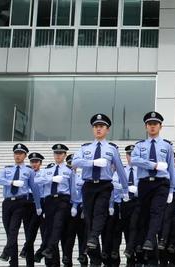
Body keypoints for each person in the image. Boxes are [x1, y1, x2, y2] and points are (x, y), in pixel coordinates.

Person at [71, 113, 129, 266]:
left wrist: (125, 189)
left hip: (104, 185)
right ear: (93, 129)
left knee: (99, 212)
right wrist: (93, 162)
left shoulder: (111, 149)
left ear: (107, 130)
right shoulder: (85, 148)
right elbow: (75, 162)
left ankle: (94, 237)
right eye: (96, 126)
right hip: (88, 185)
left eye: (101, 126)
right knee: (89, 219)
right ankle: (95, 257)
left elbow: (121, 170)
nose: (98, 129)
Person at [130, 111, 175, 253]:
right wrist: (154, 165)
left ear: (160, 126)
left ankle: (150, 239)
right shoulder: (139, 146)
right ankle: (143, 242)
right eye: (149, 124)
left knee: (156, 212)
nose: (152, 127)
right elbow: (134, 160)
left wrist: (171, 189)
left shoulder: (167, 146)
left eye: (155, 124)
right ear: (146, 127)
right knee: (144, 214)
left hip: (161, 183)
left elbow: (171, 168)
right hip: (145, 182)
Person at [0, 143, 42, 267]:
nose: (17, 156)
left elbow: (35, 189)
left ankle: (6, 252)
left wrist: (38, 206)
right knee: (10, 234)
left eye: (20, 153)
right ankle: (13, 263)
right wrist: (11, 182)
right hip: (7, 202)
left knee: (14, 229)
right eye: (16, 153)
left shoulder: (29, 171)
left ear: (25, 156)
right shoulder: (7, 169)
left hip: (22, 202)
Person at [37, 144, 76, 265]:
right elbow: (36, 181)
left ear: (64, 155)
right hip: (49, 201)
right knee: (50, 227)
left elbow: (73, 189)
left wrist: (74, 205)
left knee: (58, 224)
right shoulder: (47, 171)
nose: (58, 155)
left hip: (63, 200)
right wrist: (51, 179)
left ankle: (49, 248)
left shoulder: (69, 171)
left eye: (60, 153)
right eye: (56, 153)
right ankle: (48, 252)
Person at [22, 151, 45, 266]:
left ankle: (40, 252)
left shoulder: (44, 173)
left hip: (41, 202)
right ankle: (29, 263)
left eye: (36, 162)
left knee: (45, 234)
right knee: (29, 234)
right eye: (32, 162)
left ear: (40, 163)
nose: (33, 164)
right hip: (28, 203)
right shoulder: (26, 174)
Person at [121, 144, 140, 264]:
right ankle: (131, 256)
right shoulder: (121, 170)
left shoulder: (142, 170)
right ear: (126, 156)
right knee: (127, 228)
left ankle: (129, 249)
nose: (131, 157)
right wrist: (125, 189)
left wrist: (137, 190)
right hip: (125, 202)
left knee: (134, 225)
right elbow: (114, 183)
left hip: (138, 202)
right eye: (129, 154)